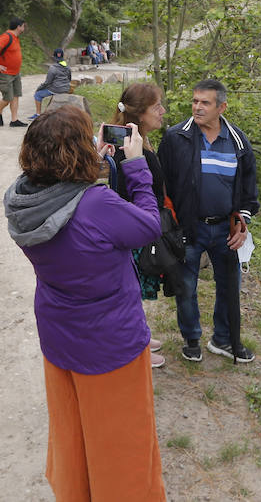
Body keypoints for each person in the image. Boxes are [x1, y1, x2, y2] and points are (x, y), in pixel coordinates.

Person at [3, 106, 166, 501]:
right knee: (122, 437)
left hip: (60, 336)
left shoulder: (21, 200)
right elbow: (149, 224)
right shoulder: (96, 206)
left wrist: (100, 166)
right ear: (77, 149)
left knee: (73, 430)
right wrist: (138, 165)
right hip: (110, 342)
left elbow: (73, 207)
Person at [159, 78, 259, 364]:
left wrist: (242, 224)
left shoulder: (238, 144)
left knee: (229, 286)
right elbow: (162, 184)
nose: (197, 107)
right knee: (186, 286)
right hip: (188, 228)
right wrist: (168, 224)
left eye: (205, 103)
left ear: (222, 107)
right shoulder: (176, 138)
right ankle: (191, 339)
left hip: (225, 229)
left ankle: (224, 340)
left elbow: (249, 195)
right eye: (195, 101)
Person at [108, 83, 172, 368]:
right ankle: (135, 349)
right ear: (139, 113)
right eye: (156, 106)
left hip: (140, 227)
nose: (163, 111)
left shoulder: (139, 140)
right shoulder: (128, 151)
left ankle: (141, 338)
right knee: (129, 296)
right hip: (132, 233)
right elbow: (123, 196)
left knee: (135, 295)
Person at [0, 17, 27, 127]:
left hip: (15, 73)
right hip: (5, 73)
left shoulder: (15, 37)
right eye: (23, 26)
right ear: (19, 26)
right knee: (7, 98)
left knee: (16, 95)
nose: (24, 28)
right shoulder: (6, 37)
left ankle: (14, 120)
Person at [32, 48, 73, 119]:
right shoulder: (68, 67)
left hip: (56, 90)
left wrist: (39, 88)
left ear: (54, 57)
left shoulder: (53, 68)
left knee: (37, 95)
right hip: (66, 88)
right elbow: (69, 79)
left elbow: (47, 82)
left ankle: (38, 114)